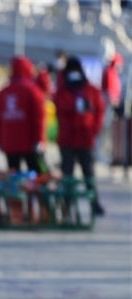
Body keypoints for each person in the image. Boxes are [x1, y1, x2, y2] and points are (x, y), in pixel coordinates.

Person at [54, 56, 106, 215]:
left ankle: (94, 203)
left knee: (89, 173)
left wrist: (94, 130)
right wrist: (76, 104)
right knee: (67, 175)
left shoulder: (91, 90)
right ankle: (66, 205)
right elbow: (60, 108)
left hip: (85, 138)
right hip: (68, 139)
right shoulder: (62, 91)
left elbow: (99, 111)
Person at [0, 56, 47, 174]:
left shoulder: (2, 93)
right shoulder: (33, 91)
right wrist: (40, 140)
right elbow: (39, 119)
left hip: (9, 143)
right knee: (38, 177)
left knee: (14, 178)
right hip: (30, 143)